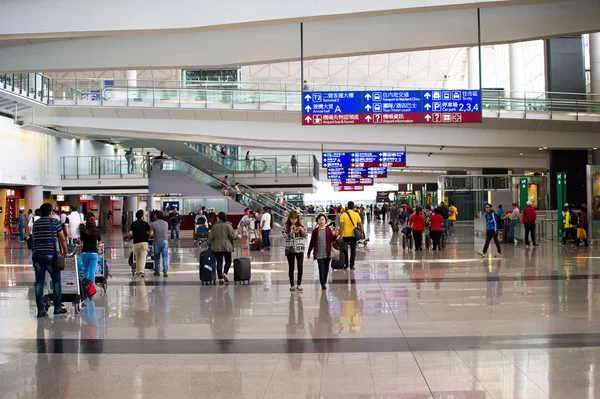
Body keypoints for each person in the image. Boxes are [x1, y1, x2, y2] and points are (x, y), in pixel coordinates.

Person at [31, 203, 69, 317]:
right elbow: (62, 238)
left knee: (39, 283)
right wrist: (65, 251)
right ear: (50, 212)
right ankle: (57, 308)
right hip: (50, 255)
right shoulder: (55, 222)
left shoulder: (36, 224)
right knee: (56, 281)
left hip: (37, 255)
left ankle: (41, 310)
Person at [307, 214, 336, 290]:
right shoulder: (315, 231)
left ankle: (324, 281)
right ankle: (322, 283)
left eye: (323, 219)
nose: (321, 221)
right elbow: (312, 242)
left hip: (327, 253)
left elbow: (332, 239)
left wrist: (336, 235)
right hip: (319, 253)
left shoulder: (328, 230)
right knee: (321, 268)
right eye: (320, 219)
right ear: (317, 221)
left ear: (325, 221)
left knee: (326, 268)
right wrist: (309, 251)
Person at [206, 212, 237, 284]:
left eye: (217, 217)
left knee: (219, 263)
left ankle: (220, 278)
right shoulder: (228, 225)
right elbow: (233, 236)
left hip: (217, 247)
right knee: (228, 261)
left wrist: (209, 244)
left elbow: (210, 238)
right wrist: (236, 236)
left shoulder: (214, 226)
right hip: (227, 246)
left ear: (219, 218)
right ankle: (225, 273)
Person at [283, 211, 306, 292]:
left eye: (296, 218)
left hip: (300, 248)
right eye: (292, 218)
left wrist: (301, 230)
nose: (294, 220)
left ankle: (299, 284)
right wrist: (292, 232)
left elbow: (305, 235)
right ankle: (292, 284)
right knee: (291, 267)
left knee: (300, 266)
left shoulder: (300, 226)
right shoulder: (286, 226)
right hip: (290, 249)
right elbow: (285, 236)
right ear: (289, 218)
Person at [128, 210, 151, 278]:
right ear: (142, 216)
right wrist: (148, 238)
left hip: (136, 243)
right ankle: (142, 271)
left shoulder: (133, 224)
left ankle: (137, 271)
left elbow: (130, 233)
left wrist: (129, 238)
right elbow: (150, 232)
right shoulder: (146, 224)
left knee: (137, 257)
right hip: (144, 242)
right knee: (143, 257)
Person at [339, 201, 362, 269]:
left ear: (347, 206)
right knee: (353, 250)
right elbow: (360, 225)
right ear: (353, 206)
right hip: (353, 235)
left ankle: (346, 264)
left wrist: (340, 235)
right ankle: (352, 265)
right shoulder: (356, 214)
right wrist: (361, 233)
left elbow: (341, 226)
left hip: (345, 235)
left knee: (345, 250)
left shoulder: (343, 215)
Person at [79, 218, 101, 285]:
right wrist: (96, 246)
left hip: (85, 252)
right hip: (94, 252)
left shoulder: (84, 232)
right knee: (92, 270)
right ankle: (91, 287)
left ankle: (85, 286)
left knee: (86, 269)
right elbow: (100, 241)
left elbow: (81, 242)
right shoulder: (97, 231)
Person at [150, 210, 169, 277]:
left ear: (156, 216)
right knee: (165, 257)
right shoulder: (166, 223)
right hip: (165, 241)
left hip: (157, 242)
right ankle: (165, 272)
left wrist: (149, 236)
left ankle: (157, 271)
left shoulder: (153, 224)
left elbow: (151, 234)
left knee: (157, 258)